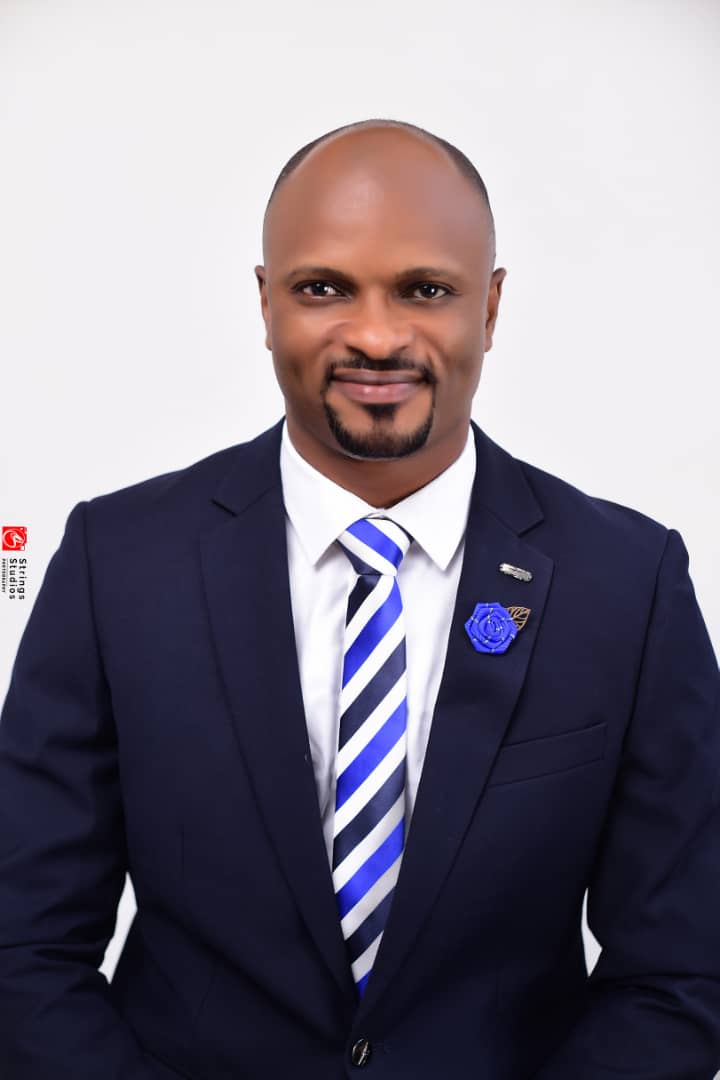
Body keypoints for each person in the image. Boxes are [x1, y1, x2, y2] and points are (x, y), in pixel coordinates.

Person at [0, 118, 718, 1080]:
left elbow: (681, 973)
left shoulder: (628, 583)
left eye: (426, 290)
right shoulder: (116, 562)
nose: (377, 337)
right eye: (323, 288)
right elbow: (24, 947)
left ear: (491, 307)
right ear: (265, 303)